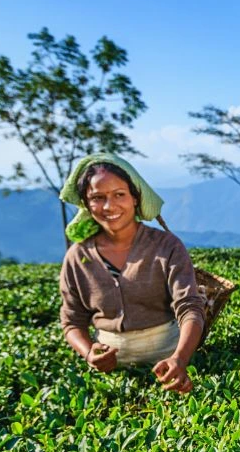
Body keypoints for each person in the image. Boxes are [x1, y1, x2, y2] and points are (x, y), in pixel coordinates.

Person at [58, 153, 205, 394]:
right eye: (97, 198)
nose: (109, 206)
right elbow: (72, 320)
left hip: (169, 354)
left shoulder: (166, 246)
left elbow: (189, 307)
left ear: (135, 198)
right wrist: (89, 353)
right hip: (111, 372)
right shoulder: (78, 256)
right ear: (86, 203)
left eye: (119, 195)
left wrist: (180, 358)